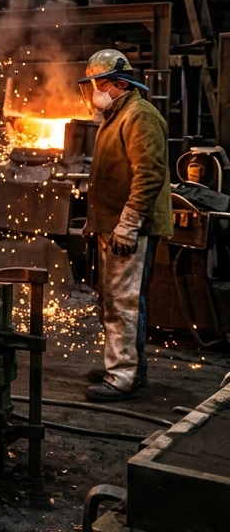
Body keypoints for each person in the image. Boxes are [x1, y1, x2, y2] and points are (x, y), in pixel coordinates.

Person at [78, 49, 173, 402]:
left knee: (123, 301)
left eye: (97, 84)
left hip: (131, 227)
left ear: (119, 83)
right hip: (112, 223)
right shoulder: (116, 115)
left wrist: (129, 224)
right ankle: (125, 366)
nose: (93, 92)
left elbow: (149, 175)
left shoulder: (139, 116)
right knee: (112, 299)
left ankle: (123, 376)